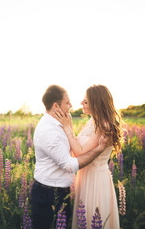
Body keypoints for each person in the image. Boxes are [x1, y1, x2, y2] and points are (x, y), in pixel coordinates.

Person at [31, 85, 109, 229]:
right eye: (67, 102)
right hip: (48, 193)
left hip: (63, 190)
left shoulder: (59, 123)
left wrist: (68, 127)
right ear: (56, 106)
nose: (72, 105)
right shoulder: (49, 131)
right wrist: (99, 150)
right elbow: (69, 164)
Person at [54, 84, 124, 229]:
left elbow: (79, 151)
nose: (81, 103)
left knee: (94, 216)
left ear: (96, 103)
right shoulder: (93, 121)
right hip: (86, 176)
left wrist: (68, 127)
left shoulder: (103, 125)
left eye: (85, 101)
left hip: (95, 179)